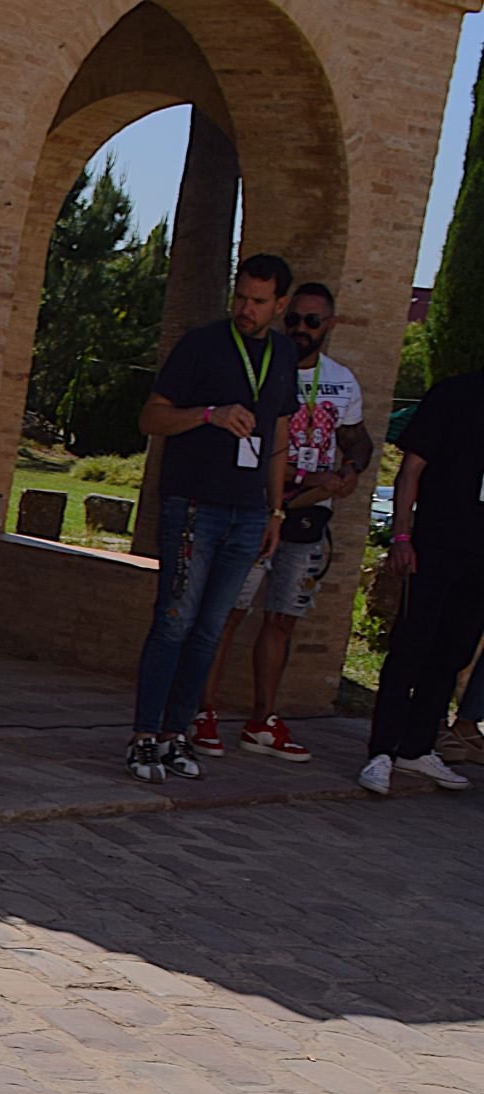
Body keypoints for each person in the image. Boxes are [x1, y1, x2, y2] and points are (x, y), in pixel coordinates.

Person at [127, 254, 300, 784]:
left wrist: (275, 510)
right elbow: (150, 417)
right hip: (194, 506)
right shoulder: (202, 345)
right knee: (174, 623)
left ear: (281, 303)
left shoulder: (284, 354)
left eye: (259, 301)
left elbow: (278, 438)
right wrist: (209, 415)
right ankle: (142, 737)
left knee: (210, 631)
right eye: (241, 297)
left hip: (248, 513)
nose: (246, 309)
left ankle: (177, 734)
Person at [194, 282, 370, 762]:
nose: (301, 329)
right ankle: (201, 710)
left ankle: (262, 720)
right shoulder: (265, 368)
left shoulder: (342, 380)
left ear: (329, 326)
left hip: (309, 516)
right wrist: (301, 473)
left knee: (282, 620)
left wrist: (349, 472)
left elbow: (357, 439)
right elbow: (248, 443)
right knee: (228, 614)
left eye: (313, 322)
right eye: (294, 319)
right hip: (257, 508)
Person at [360, 365, 484, 795]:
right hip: (434, 545)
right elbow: (412, 467)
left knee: (452, 653)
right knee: (411, 646)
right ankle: (381, 751)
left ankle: (417, 747)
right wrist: (400, 536)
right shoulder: (455, 394)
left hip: (480, 559)